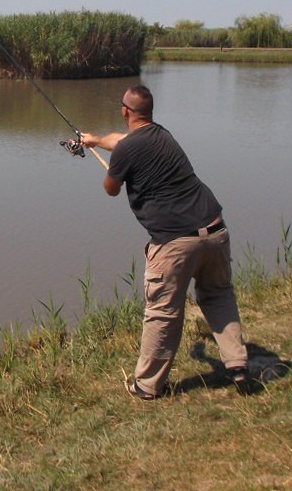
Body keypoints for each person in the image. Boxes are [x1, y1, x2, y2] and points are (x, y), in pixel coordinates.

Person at [81, 84, 250, 399]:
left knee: (163, 311)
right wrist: (94, 141)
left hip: (175, 242)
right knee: (218, 295)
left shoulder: (127, 150)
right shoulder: (162, 135)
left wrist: (113, 166)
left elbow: (111, 188)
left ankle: (147, 386)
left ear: (124, 111)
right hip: (215, 229)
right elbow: (120, 141)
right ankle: (238, 364)